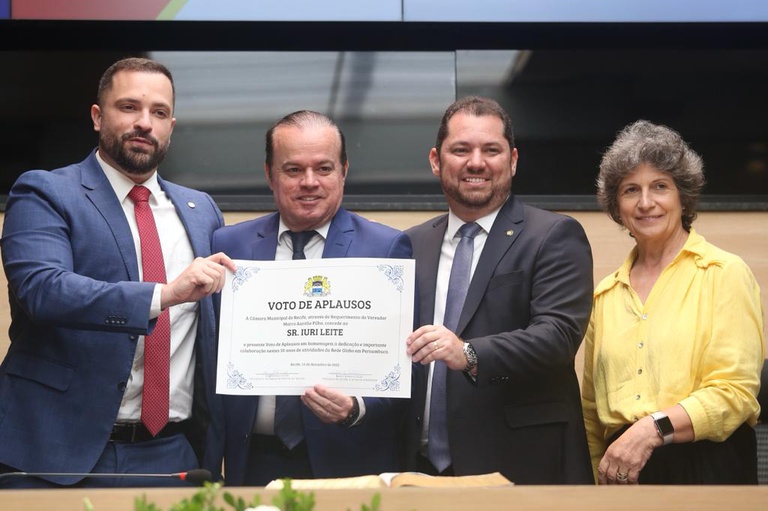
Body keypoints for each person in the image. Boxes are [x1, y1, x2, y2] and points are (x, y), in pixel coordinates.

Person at [0, 57, 235, 488]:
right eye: (129, 107)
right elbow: (43, 290)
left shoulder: (201, 210)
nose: (144, 122)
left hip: (173, 452)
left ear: (171, 127)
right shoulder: (46, 191)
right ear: (97, 116)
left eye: (159, 112)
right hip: (54, 450)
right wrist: (164, 295)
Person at [210, 110, 413, 486]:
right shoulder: (229, 245)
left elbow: (404, 366)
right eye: (293, 170)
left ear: (344, 171)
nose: (309, 182)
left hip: (347, 460)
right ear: (269, 174)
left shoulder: (385, 248)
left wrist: (356, 408)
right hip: (252, 460)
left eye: (323, 168)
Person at [403, 96, 594, 484]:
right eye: (461, 150)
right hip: (419, 469)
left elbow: (557, 337)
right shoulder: (410, 244)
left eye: (491, 150)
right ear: (436, 161)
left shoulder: (553, 236)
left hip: (519, 466)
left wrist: (468, 353)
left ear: (513, 160)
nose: (476, 162)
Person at [581, 120, 765, 485]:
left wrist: (651, 429)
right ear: (617, 206)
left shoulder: (724, 273)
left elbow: (735, 392)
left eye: (660, 187)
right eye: (631, 190)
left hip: (708, 468)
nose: (645, 202)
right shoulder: (605, 295)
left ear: (683, 196)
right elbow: (591, 414)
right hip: (624, 475)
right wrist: (594, 488)